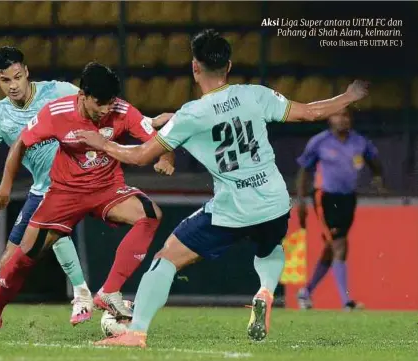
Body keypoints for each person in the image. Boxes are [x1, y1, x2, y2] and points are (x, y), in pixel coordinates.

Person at [74, 29, 369, 348]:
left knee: (167, 257)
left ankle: (137, 332)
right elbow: (311, 112)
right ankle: (265, 291)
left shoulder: (192, 115)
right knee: (269, 248)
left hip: (233, 208)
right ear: (228, 66)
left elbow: (142, 155)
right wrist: (348, 97)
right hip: (273, 201)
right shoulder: (254, 95)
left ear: (194, 67)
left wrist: (102, 143)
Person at [0, 62, 175, 340]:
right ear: (83, 95)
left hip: (107, 188)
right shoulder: (57, 112)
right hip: (64, 193)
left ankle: (108, 292)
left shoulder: (121, 109)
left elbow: (158, 139)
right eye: (100, 103)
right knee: (22, 258)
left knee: (150, 214)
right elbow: (20, 144)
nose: (107, 109)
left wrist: (167, 158)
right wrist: (6, 187)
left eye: (110, 103)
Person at [0, 46, 99, 333]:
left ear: (26, 72)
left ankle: (82, 293)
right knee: (8, 258)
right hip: (42, 189)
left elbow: (95, 105)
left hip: (77, 181)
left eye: (17, 77)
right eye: (5, 80)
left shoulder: (58, 91)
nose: (13, 86)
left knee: (50, 221)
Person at [295, 107, 385, 310]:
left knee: (332, 248)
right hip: (325, 197)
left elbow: (375, 162)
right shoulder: (319, 142)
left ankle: (306, 292)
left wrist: (378, 178)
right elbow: (304, 171)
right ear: (329, 119)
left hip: (348, 199)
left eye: (346, 115)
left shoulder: (359, 142)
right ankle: (346, 301)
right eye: (338, 115)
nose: (342, 119)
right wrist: (300, 201)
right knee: (340, 245)